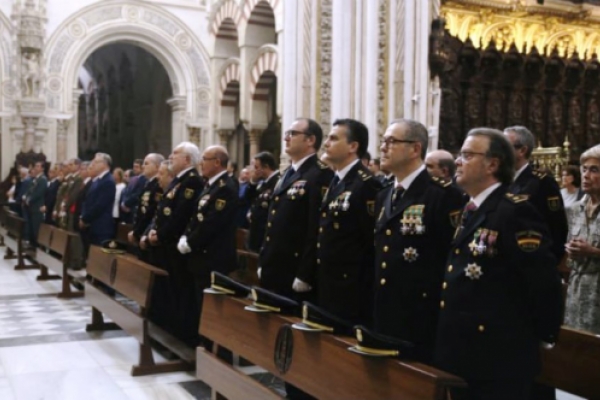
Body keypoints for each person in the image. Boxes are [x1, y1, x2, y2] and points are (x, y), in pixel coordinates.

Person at [435, 128, 563, 400]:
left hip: (497, 356)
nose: (458, 161)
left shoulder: (514, 212)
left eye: (468, 155)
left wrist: (533, 339)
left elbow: (543, 282)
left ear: (493, 164)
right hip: (464, 349)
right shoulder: (471, 209)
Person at [373, 118, 464, 362]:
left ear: (415, 149)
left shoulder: (443, 196)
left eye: (392, 142)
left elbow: (451, 257)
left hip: (421, 313)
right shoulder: (384, 194)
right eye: (383, 141)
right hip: (384, 307)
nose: (383, 147)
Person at [259, 118, 334, 300]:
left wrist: (305, 273)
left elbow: (315, 227)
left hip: (294, 268)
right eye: (287, 133)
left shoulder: (320, 174)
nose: (286, 138)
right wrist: (264, 259)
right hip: (274, 265)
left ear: (310, 140)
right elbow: (272, 221)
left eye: (293, 134)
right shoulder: (286, 174)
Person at [317, 118, 382, 325]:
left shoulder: (365, 185)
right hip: (329, 281)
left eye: (334, 138)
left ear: (353, 147)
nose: (326, 143)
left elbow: (369, 242)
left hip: (350, 287)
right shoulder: (337, 180)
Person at [178, 145, 238, 346]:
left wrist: (191, 241)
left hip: (214, 258)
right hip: (201, 258)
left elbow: (212, 223)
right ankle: (203, 348)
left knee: (213, 310)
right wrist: (185, 237)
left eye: (205, 158)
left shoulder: (226, 187)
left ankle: (216, 353)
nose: (201, 163)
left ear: (217, 162)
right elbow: (196, 217)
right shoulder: (209, 186)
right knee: (200, 305)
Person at [144, 142, 204, 340]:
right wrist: (154, 231)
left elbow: (180, 217)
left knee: (178, 292)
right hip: (164, 245)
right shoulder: (180, 180)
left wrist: (159, 235)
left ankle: (179, 335)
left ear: (187, 159)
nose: (171, 156)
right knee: (167, 290)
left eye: (176, 154)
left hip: (173, 246)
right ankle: (165, 328)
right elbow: (163, 212)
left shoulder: (192, 181)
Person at [504, 125, 568, 261]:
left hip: (532, 257)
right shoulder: (500, 180)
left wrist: (551, 259)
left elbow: (556, 226)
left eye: (505, 146)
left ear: (522, 150)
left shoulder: (542, 182)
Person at [564, 145, 600, 334]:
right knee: (577, 351)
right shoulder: (574, 209)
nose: (586, 175)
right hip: (577, 292)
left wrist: (593, 252)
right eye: (584, 169)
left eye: (594, 170)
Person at [128, 153, 164, 250]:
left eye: (146, 163)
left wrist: (139, 232)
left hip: (147, 234)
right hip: (141, 232)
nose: (143, 166)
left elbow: (151, 212)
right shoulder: (148, 183)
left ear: (157, 166)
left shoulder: (158, 185)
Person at [79, 153, 116, 247]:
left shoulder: (108, 181)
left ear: (104, 164)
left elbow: (100, 205)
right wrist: (83, 217)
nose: (93, 164)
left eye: (96, 162)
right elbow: (87, 200)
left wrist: (85, 218)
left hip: (101, 226)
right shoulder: (97, 180)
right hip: (91, 224)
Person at [246, 151, 280, 252]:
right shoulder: (263, 183)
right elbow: (248, 198)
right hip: (256, 233)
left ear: (266, 166)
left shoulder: (277, 182)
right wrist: (253, 181)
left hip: (265, 235)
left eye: (256, 167)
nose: (254, 170)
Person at [24, 161, 47, 246]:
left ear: (42, 168)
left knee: (36, 229)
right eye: (35, 166)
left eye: (38, 166)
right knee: (32, 229)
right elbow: (31, 190)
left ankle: (36, 247)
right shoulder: (36, 179)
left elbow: (39, 193)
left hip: (37, 207)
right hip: (31, 208)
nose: (36, 168)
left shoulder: (43, 179)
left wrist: (29, 199)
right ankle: (31, 245)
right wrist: (26, 197)